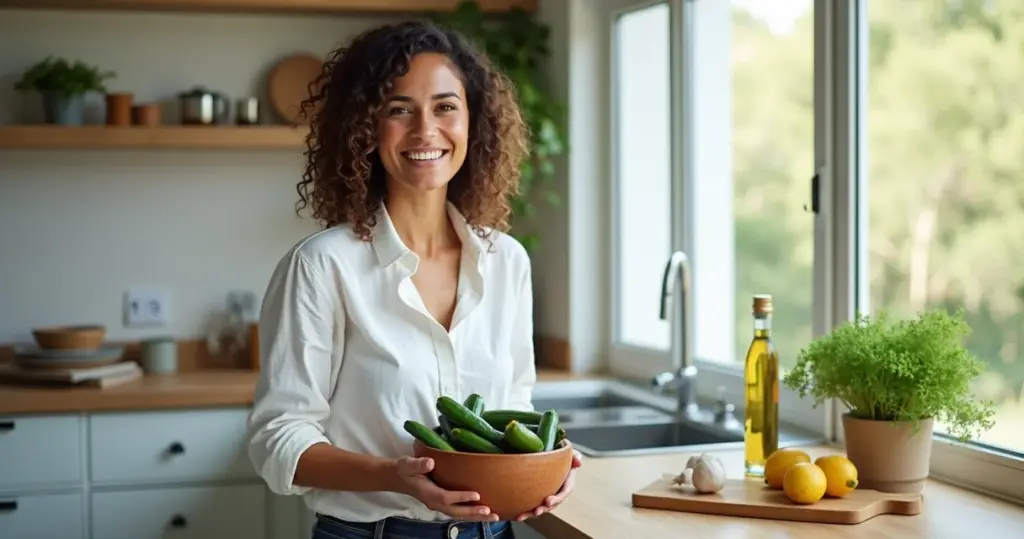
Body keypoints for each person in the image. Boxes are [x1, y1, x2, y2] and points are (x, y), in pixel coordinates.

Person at [246, 20, 582, 539]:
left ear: (474, 122)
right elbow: (279, 439)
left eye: (445, 106)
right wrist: (396, 477)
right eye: (399, 110)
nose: (426, 131)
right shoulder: (321, 266)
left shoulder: (506, 261)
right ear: (364, 127)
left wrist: (542, 467)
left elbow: (515, 407)